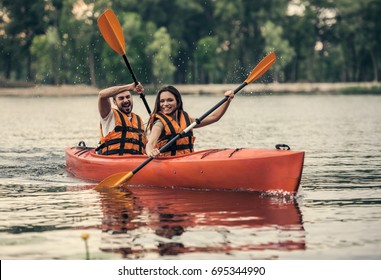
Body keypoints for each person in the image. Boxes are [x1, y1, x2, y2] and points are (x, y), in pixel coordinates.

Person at [146, 85, 234, 157]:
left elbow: (214, 117)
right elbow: (151, 143)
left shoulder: (187, 121)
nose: (165, 104)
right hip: (168, 162)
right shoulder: (159, 123)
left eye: (170, 100)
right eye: (162, 101)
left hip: (187, 159)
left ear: (178, 101)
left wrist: (227, 100)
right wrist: (151, 153)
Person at [96, 82, 147, 155]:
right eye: (121, 98)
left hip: (137, 162)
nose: (126, 100)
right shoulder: (108, 116)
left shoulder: (139, 120)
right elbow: (102, 95)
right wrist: (129, 87)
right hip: (114, 162)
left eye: (128, 97)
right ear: (114, 102)